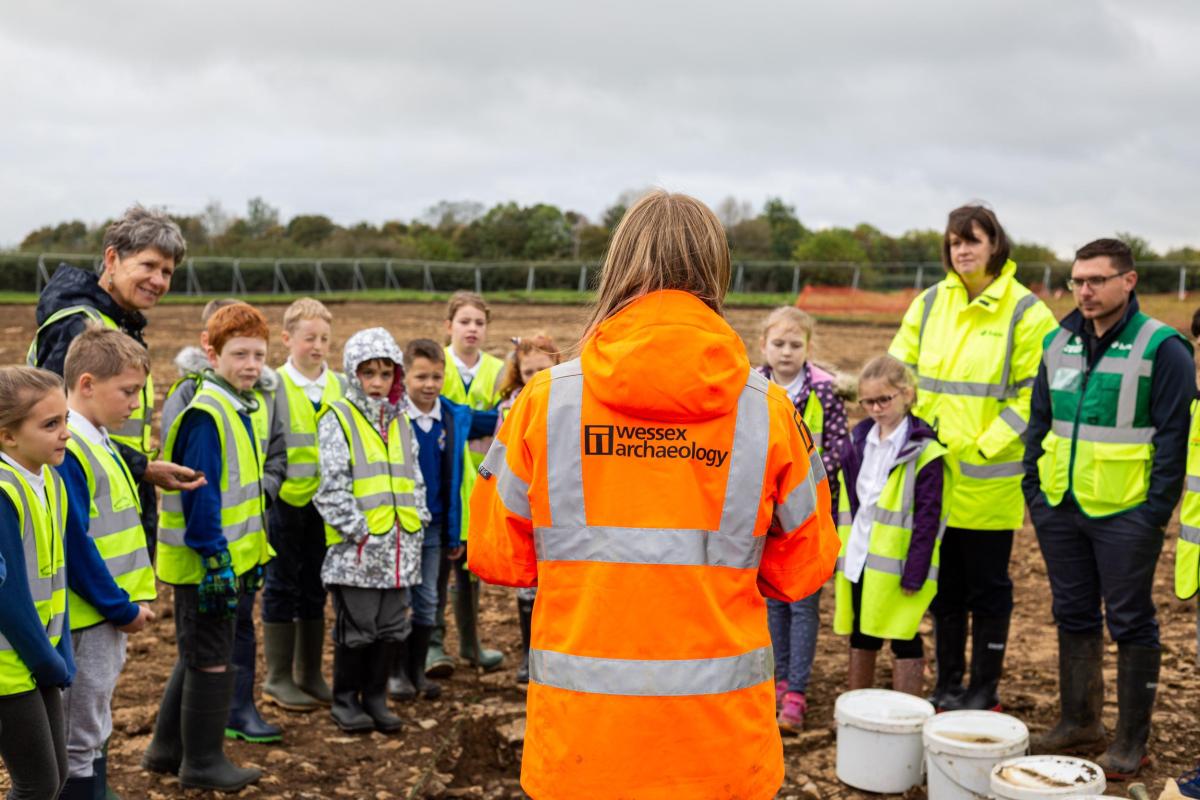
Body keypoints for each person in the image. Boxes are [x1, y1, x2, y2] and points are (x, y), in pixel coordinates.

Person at [468, 190, 841, 800]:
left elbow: (497, 556)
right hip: (720, 752)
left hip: (581, 750)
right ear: (716, 272)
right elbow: (803, 568)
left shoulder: (545, 402)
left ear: (617, 269)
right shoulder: (768, 412)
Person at [1023, 238, 1194, 780]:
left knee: (1130, 621)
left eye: (1097, 280)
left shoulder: (1162, 347)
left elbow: (1173, 437)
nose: (1085, 290)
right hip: (1060, 505)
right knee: (1072, 613)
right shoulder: (1057, 342)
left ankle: (1129, 742)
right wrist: (1035, 487)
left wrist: (1153, 513)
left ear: (1129, 281)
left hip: (1127, 513)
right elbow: (1040, 422)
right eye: (1077, 280)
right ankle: (1079, 721)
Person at [889, 204, 1056, 711]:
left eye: (973, 240)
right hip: (933, 478)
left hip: (989, 481)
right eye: (955, 241)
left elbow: (1036, 397)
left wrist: (985, 444)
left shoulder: (1027, 313)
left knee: (987, 589)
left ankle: (984, 689)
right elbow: (901, 374)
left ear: (995, 245)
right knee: (944, 590)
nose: (962, 250)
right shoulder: (929, 303)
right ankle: (947, 686)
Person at [142, 303, 275, 792]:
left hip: (227, 560)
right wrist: (215, 556)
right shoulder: (207, 413)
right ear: (212, 353)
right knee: (211, 658)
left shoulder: (237, 405)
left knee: (195, 653)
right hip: (206, 563)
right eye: (239, 353)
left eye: (259, 355)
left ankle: (165, 749)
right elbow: (203, 492)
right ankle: (202, 762)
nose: (251, 365)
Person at [29, 206, 204, 557]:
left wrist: (140, 469)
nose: (159, 281)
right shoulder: (80, 326)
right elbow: (56, 425)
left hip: (113, 485)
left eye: (167, 272)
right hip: (86, 501)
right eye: (149, 265)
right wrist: (144, 466)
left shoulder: (119, 323)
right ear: (112, 258)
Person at [58, 329, 157, 798]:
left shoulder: (97, 438)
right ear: (87, 383)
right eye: (129, 391)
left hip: (103, 615)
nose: (136, 403)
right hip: (87, 618)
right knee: (79, 734)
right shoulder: (70, 449)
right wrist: (119, 607)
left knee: (94, 724)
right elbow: (75, 546)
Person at [314, 328, 422, 734]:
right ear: (353, 374)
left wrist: (418, 520)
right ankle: (346, 700)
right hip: (358, 552)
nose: (378, 383)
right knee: (358, 630)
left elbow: (416, 479)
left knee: (392, 627)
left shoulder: (402, 420)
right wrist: (361, 534)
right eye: (368, 374)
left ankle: (376, 698)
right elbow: (330, 489)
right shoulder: (337, 418)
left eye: (386, 374)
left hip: (400, 549)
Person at [389, 339, 498, 701]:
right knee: (399, 598)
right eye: (421, 376)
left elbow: (497, 420)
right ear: (405, 376)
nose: (430, 384)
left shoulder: (453, 416)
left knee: (429, 598)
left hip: (437, 525)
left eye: (437, 376)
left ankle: (418, 672)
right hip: (401, 526)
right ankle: (396, 674)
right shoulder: (391, 417)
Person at [832, 356, 946, 696]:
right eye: (868, 401)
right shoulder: (858, 440)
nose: (877, 408)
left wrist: (916, 571)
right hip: (859, 557)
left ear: (907, 395)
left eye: (885, 399)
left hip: (899, 565)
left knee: (903, 634)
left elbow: (929, 518)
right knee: (861, 632)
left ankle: (906, 713)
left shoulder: (923, 450)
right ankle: (856, 710)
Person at [757, 307, 847, 730]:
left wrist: (792, 478)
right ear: (763, 346)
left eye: (796, 345)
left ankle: (797, 691)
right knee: (772, 601)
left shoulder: (824, 392)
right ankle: (775, 680)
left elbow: (838, 449)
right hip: (763, 517)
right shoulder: (752, 389)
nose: (787, 352)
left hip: (807, 515)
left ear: (809, 348)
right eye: (779, 343)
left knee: (804, 604)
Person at [260, 298, 343, 715]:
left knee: (315, 586)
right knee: (280, 585)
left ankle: (311, 673)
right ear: (288, 338)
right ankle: (278, 676)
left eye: (325, 338)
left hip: (325, 506)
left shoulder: (341, 387)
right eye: (309, 337)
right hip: (284, 504)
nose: (317, 346)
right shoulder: (272, 385)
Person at [0, 367, 75, 800]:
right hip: (10, 668)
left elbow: (56, 576)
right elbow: (6, 598)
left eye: (65, 419)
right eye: (51, 424)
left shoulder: (51, 480)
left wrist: (59, 648)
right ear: (8, 436)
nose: (66, 433)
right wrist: (48, 659)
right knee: (37, 783)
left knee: (54, 778)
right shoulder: (4, 491)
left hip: (37, 656)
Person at [426, 291, 506, 676]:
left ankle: (471, 645)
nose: (472, 329)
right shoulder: (436, 366)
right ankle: (434, 645)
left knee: (472, 568)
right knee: (439, 566)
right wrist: (482, 421)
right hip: (444, 483)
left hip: (483, 485)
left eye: (479, 322)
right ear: (449, 326)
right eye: (464, 321)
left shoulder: (498, 369)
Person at [494, 334, 561, 685]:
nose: (535, 377)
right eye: (528, 371)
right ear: (518, 374)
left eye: (542, 369)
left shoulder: (566, 402)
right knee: (527, 587)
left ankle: (548, 653)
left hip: (557, 504)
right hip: (527, 502)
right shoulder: (510, 408)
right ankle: (527, 655)